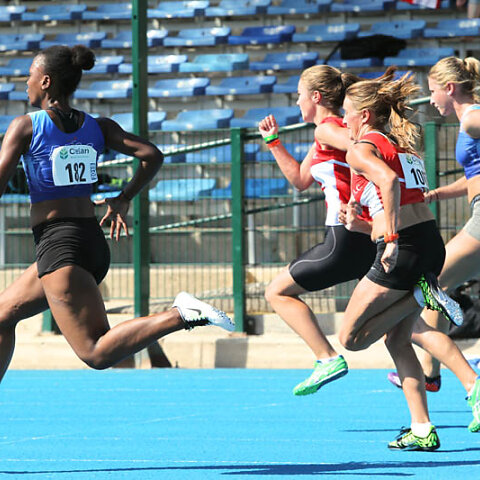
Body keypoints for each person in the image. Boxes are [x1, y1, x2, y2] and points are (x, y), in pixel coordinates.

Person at [0, 44, 234, 382]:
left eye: (30, 75)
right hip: (89, 243)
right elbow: (152, 155)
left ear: (46, 81)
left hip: (60, 247)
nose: (26, 82)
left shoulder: (25, 127)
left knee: (95, 352)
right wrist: (123, 198)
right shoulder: (99, 127)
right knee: (3, 316)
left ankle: (181, 314)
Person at [338, 71, 463, 451]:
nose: (343, 120)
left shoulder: (360, 149)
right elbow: (402, 200)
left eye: (346, 112)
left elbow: (389, 184)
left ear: (364, 115)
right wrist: (361, 224)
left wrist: (390, 239)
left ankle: (419, 296)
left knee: (350, 339)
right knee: (397, 339)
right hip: (428, 242)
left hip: (403, 247)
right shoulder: (400, 147)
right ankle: (422, 428)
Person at [258, 65, 377, 396]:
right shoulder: (325, 133)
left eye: (299, 95)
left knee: (277, 293)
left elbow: (360, 145)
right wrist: (273, 142)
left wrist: (354, 197)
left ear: (315, 97)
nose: (296, 102)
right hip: (365, 235)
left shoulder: (328, 128)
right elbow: (300, 180)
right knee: (401, 333)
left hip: (345, 237)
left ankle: (326, 357)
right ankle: (469, 382)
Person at [387, 56, 480, 432]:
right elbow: (475, 174)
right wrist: (440, 193)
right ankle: (431, 372)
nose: (431, 100)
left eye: (433, 91)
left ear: (450, 88)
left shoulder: (472, 118)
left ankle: (438, 374)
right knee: (437, 286)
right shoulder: (468, 120)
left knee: (431, 283)